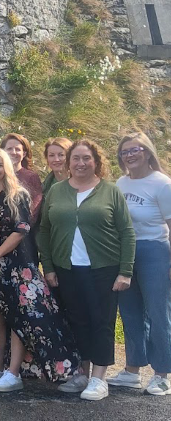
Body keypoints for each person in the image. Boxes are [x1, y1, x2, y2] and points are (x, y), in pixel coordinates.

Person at [0, 149, 80, 392]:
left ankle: (14, 372)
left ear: (7, 167)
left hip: (15, 266)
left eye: (0, 164)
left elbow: (21, 230)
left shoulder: (17, 195)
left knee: (19, 318)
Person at [39, 139, 136, 401]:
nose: (81, 163)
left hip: (104, 267)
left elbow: (127, 232)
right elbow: (44, 230)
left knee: (101, 321)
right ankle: (82, 372)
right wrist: (48, 267)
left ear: (96, 161)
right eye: (76, 159)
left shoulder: (110, 191)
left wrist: (125, 271)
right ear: (68, 163)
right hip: (66, 267)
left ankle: (99, 378)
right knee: (77, 321)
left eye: (86, 158)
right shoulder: (57, 191)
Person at [107, 132, 171, 395]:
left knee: (159, 313)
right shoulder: (120, 183)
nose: (130, 155)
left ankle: (162, 374)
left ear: (147, 152)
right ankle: (133, 369)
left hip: (154, 249)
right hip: (125, 253)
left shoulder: (162, 184)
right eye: (125, 152)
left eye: (135, 150)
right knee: (130, 311)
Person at [0, 133, 43, 224]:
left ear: (24, 154)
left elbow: (34, 210)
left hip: (22, 232)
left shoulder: (31, 177)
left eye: (18, 149)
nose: (13, 152)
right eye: (9, 149)